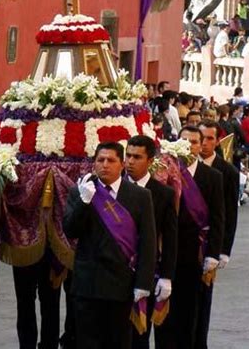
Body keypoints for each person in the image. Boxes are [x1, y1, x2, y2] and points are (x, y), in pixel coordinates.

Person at [64, 142, 156, 349]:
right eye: (100, 160)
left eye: (111, 160)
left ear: (122, 164)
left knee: (119, 343)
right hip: (88, 285)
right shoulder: (80, 191)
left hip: (122, 285)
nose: (105, 165)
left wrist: (143, 283)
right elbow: (70, 230)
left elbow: (148, 242)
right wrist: (84, 202)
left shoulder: (140, 196)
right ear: (93, 163)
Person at [162, 126, 224, 349]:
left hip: (194, 253)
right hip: (167, 252)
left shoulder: (213, 177)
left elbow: (218, 218)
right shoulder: (165, 171)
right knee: (164, 314)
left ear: (200, 146)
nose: (188, 146)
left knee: (189, 311)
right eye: (184, 140)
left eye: (193, 142)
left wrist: (214, 254)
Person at [125, 136, 177, 349]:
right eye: (127, 155)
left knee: (139, 336)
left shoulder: (164, 193)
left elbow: (171, 238)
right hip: (115, 274)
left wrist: (166, 277)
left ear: (150, 160)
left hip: (146, 273)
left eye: (136, 157)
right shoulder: (110, 189)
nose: (129, 161)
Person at [196, 121, 239, 349]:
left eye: (210, 138)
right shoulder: (182, 168)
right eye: (201, 138)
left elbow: (230, 213)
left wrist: (224, 250)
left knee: (203, 299)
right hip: (185, 244)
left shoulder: (227, 171)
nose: (204, 143)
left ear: (217, 141)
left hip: (209, 244)